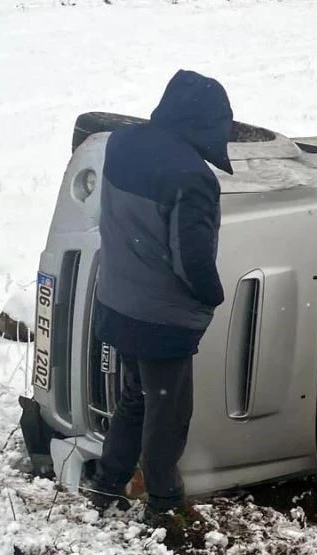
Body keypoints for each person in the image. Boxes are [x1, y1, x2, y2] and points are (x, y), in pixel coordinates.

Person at [87, 69, 233, 522]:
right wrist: (212, 296)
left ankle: (107, 484)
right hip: (161, 319)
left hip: (118, 301)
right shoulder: (192, 178)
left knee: (136, 396)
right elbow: (191, 258)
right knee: (168, 414)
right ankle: (165, 507)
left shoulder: (121, 144)